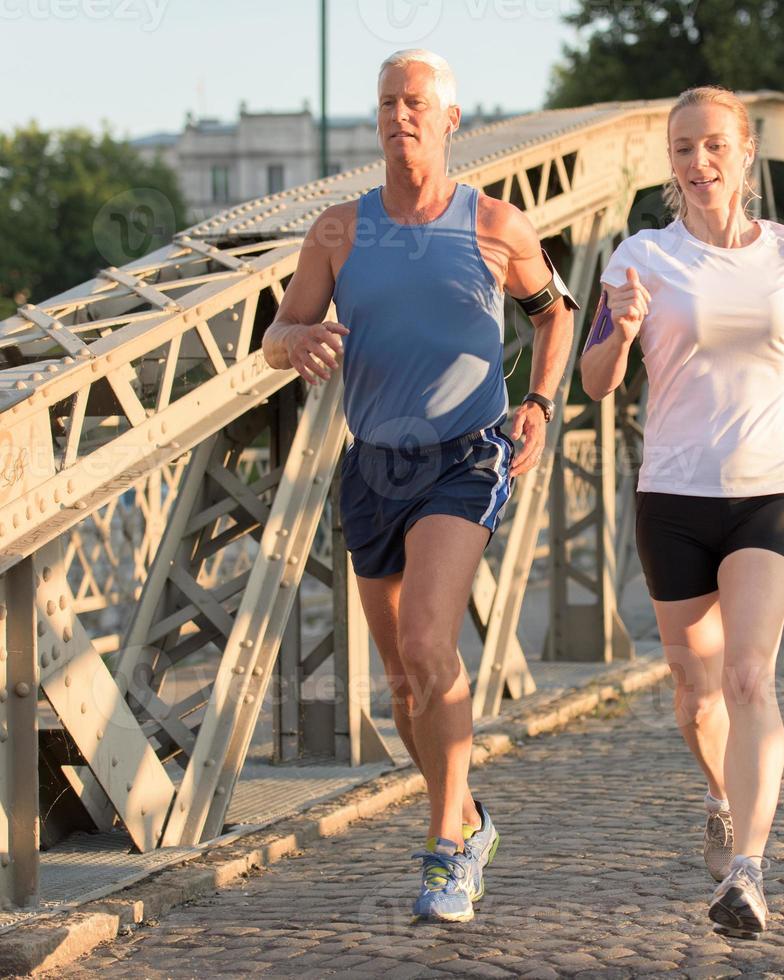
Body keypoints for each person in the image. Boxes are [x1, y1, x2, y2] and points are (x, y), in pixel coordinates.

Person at [262, 48, 575, 923]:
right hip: (373, 465)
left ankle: (444, 854)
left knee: (434, 646)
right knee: (403, 682)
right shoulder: (337, 230)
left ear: (449, 120)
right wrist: (296, 342)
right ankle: (469, 818)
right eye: (388, 102)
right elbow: (277, 334)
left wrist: (541, 403)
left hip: (464, 455)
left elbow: (556, 313)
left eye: (416, 102)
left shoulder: (495, 225)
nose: (400, 115)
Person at [579, 86, 784, 940]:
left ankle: (748, 872)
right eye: (684, 149)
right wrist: (618, 332)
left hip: (772, 485)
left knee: (748, 675)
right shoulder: (640, 257)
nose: (700, 164)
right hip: (675, 493)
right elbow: (596, 382)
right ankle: (722, 796)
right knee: (696, 695)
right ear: (670, 161)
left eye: (715, 147)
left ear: (746, 154)